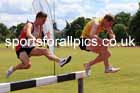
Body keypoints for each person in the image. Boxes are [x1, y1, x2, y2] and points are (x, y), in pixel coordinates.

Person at [6, 11, 71, 78]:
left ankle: (60, 61)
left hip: (30, 48)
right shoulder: (30, 24)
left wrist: (48, 40)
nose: (44, 22)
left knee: (45, 51)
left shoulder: (40, 27)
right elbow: (28, 34)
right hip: (21, 48)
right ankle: (13, 69)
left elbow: (38, 39)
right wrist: (33, 38)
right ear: (38, 18)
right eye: (43, 20)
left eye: (45, 21)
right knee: (27, 65)